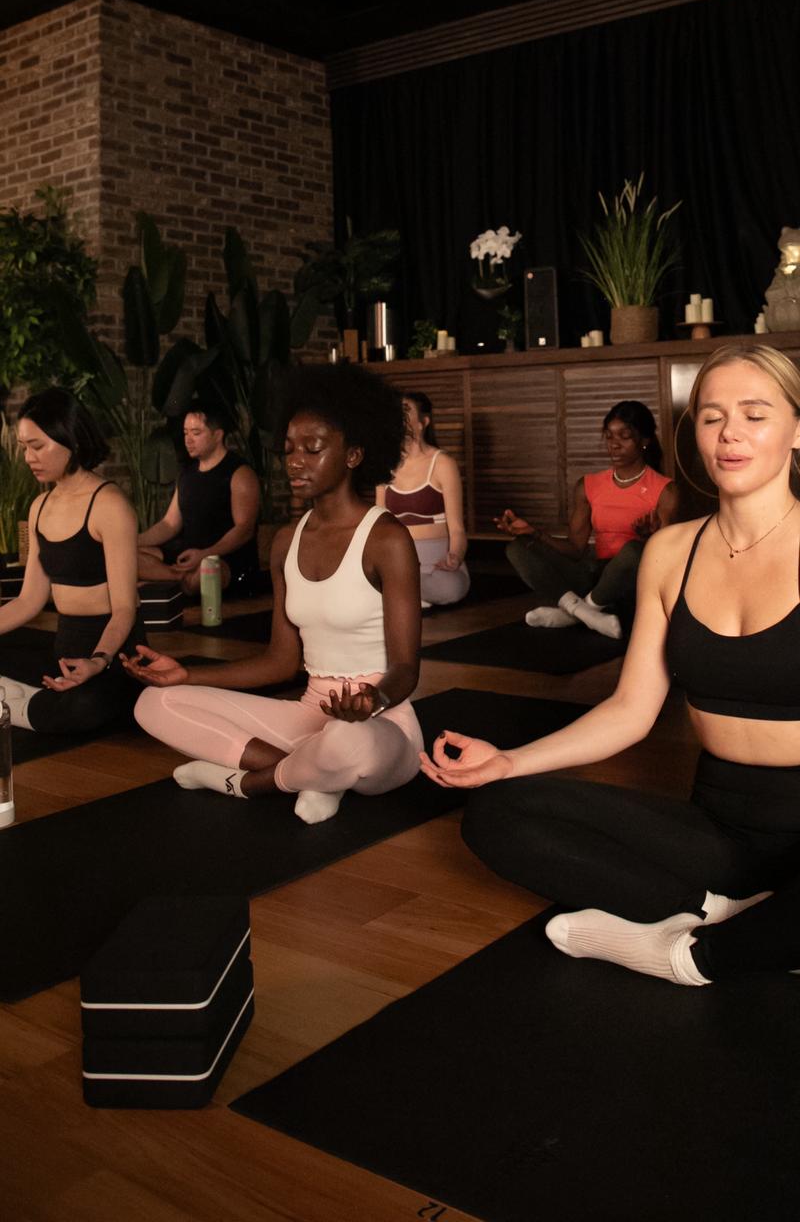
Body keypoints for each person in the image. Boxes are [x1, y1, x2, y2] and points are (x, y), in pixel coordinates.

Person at [421, 343, 800, 986]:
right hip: (715, 825)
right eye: (712, 416)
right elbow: (630, 710)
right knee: (499, 813)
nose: (731, 432)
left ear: (797, 430)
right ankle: (736, 919)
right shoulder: (670, 552)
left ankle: (693, 956)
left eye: (755, 414)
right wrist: (510, 761)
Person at [123, 364, 424, 825]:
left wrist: (371, 701)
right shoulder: (286, 541)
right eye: (288, 449)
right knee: (154, 702)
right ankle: (317, 775)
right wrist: (188, 675)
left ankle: (246, 782)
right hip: (309, 717)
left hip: (380, 726)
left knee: (346, 740)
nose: (295, 461)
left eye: (313, 448)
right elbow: (281, 662)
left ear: (354, 454)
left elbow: (405, 669)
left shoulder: (387, 539)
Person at [0, 388, 145, 734]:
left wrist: (98, 661)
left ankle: (14, 706)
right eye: (24, 447)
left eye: (38, 446)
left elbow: (125, 608)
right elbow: (28, 601)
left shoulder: (110, 506)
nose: (28, 457)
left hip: (113, 654)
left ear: (72, 439)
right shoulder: (38, 508)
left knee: (83, 709)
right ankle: (25, 702)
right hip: (63, 647)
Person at [496, 400, 678, 639]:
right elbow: (574, 549)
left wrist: (651, 540)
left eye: (624, 437)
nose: (614, 444)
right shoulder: (588, 485)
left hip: (635, 583)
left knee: (634, 551)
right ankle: (585, 612)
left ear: (644, 441)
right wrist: (534, 532)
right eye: (609, 436)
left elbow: (668, 560)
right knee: (517, 548)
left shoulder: (666, 490)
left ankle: (576, 614)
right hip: (595, 577)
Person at [137, 407, 260, 595]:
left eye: (196, 433)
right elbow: (169, 524)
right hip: (187, 554)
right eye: (186, 433)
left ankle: (175, 579)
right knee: (124, 557)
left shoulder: (239, 472)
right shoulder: (187, 473)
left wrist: (206, 554)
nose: (188, 440)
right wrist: (132, 541)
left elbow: (245, 529)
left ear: (217, 435)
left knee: (206, 573)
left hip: (223, 558)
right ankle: (178, 577)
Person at [377, 391, 470, 608]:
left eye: (406, 411)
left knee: (450, 588)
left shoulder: (443, 463)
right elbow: (379, 526)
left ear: (423, 422)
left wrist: (455, 557)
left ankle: (402, 594)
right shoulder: (385, 465)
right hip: (398, 562)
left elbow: (457, 529)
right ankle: (406, 593)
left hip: (435, 568)